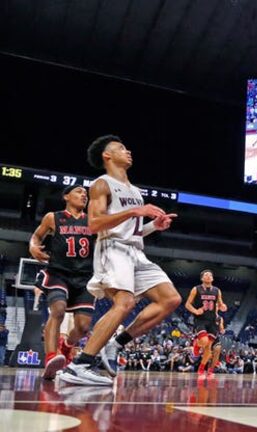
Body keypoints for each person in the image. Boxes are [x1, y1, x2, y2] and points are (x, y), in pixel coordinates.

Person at [61, 135, 180, 386]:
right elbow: (94, 224)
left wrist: (153, 226)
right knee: (124, 302)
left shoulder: (135, 191)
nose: (128, 151)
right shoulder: (101, 184)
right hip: (112, 248)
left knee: (170, 299)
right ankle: (79, 364)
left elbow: (132, 229)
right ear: (107, 156)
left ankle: (116, 344)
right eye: (121, 148)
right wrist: (136, 211)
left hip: (135, 250)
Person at [29, 185, 96, 380]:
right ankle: (51, 356)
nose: (84, 194)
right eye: (78, 191)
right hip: (59, 272)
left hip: (85, 277)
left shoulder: (92, 220)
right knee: (57, 310)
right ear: (66, 196)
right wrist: (33, 246)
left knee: (83, 327)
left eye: (86, 193)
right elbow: (37, 236)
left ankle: (67, 347)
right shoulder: (53, 217)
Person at [185, 269, 227, 379]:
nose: (208, 276)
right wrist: (195, 311)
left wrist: (223, 306)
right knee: (204, 341)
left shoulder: (217, 290)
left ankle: (201, 368)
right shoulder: (196, 289)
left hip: (212, 321)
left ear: (212, 278)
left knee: (209, 347)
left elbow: (221, 303)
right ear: (202, 278)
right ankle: (196, 345)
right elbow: (187, 304)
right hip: (200, 319)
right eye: (206, 275)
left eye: (210, 275)